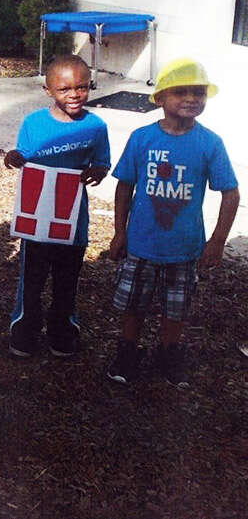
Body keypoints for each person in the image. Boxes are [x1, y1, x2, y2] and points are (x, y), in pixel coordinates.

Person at [106, 59, 239, 387]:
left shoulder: (210, 143)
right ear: (160, 98)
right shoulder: (141, 138)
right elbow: (125, 186)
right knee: (134, 303)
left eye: (199, 93)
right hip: (141, 245)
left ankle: (169, 352)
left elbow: (231, 194)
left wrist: (217, 241)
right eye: (181, 92)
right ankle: (127, 351)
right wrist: (119, 232)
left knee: (176, 307)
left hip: (184, 249)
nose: (192, 99)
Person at [5, 54, 110, 358]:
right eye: (64, 89)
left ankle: (62, 329)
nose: (74, 94)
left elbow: (101, 164)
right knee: (32, 278)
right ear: (48, 89)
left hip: (73, 221)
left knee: (67, 279)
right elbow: (22, 156)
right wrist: (13, 157)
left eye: (81, 87)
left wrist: (97, 172)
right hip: (36, 220)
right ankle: (24, 329)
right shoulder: (33, 122)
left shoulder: (96, 126)